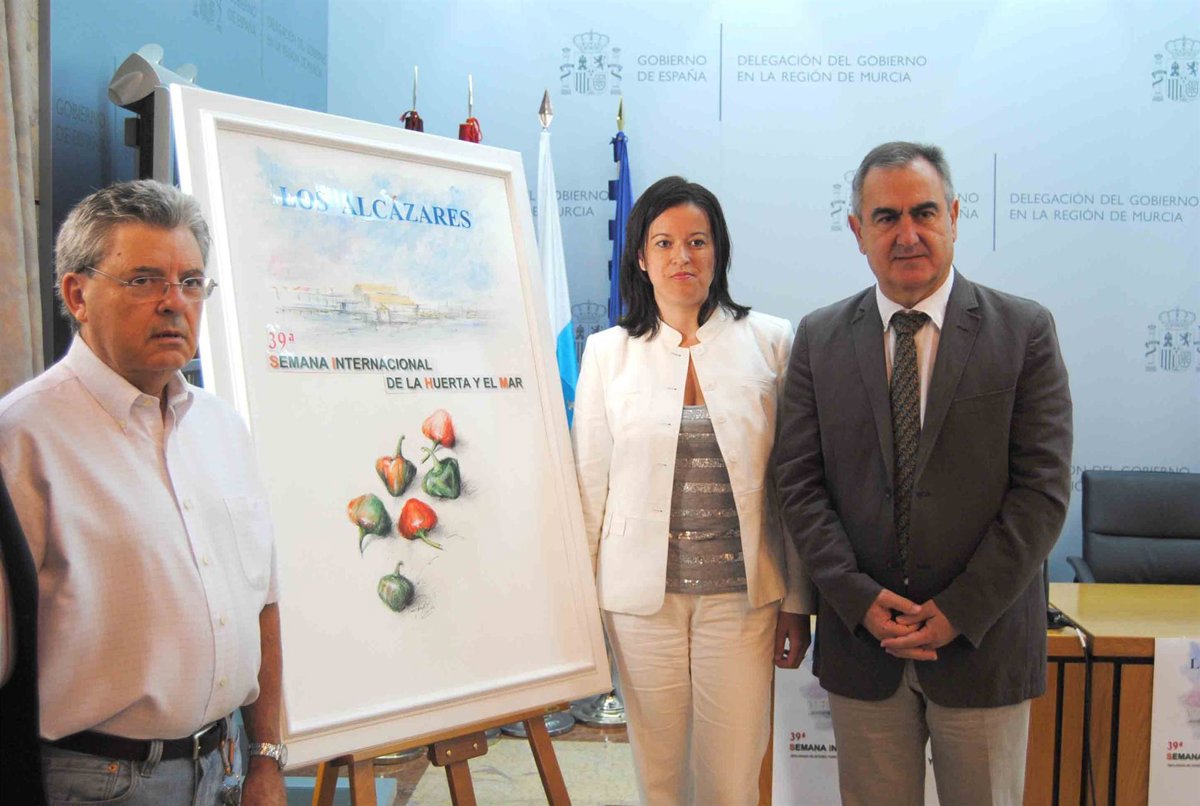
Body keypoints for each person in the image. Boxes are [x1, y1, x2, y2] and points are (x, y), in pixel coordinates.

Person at [775, 141, 1072, 805]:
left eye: (924, 212)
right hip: (864, 647)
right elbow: (798, 483)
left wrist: (959, 610)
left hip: (983, 645)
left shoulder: (1023, 331)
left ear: (955, 217)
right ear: (857, 231)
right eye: (886, 217)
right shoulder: (819, 339)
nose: (907, 234)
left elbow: (1043, 492)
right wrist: (857, 599)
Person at [0, 180, 287, 805]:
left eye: (191, 282)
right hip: (99, 781)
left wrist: (268, 757)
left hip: (227, 767)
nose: (174, 302)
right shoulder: (21, 439)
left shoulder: (223, 428)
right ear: (77, 294)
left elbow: (262, 604)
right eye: (144, 280)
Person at [573, 175, 814, 805]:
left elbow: (794, 486)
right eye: (665, 242)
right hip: (638, 603)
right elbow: (589, 488)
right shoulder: (606, 354)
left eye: (698, 241)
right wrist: (581, 609)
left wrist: (798, 599)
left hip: (742, 599)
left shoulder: (771, 342)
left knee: (731, 778)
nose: (682, 256)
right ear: (640, 257)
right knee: (660, 777)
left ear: (718, 251)